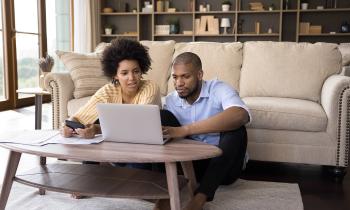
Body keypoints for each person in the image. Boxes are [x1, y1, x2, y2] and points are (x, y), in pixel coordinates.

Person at [155, 52, 251, 210]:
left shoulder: (219, 89)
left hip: (224, 168)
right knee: (161, 116)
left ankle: (200, 198)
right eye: (175, 77)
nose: (179, 83)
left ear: (199, 75)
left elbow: (241, 115)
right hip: (191, 166)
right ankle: (166, 192)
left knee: (237, 129)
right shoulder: (171, 100)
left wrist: (185, 130)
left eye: (185, 77)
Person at [62, 38, 161, 138]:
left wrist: (97, 129)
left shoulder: (150, 88)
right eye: (124, 73)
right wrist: (67, 126)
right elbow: (78, 118)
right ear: (115, 75)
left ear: (141, 71)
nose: (131, 78)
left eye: (136, 71)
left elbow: (138, 124)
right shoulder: (109, 91)